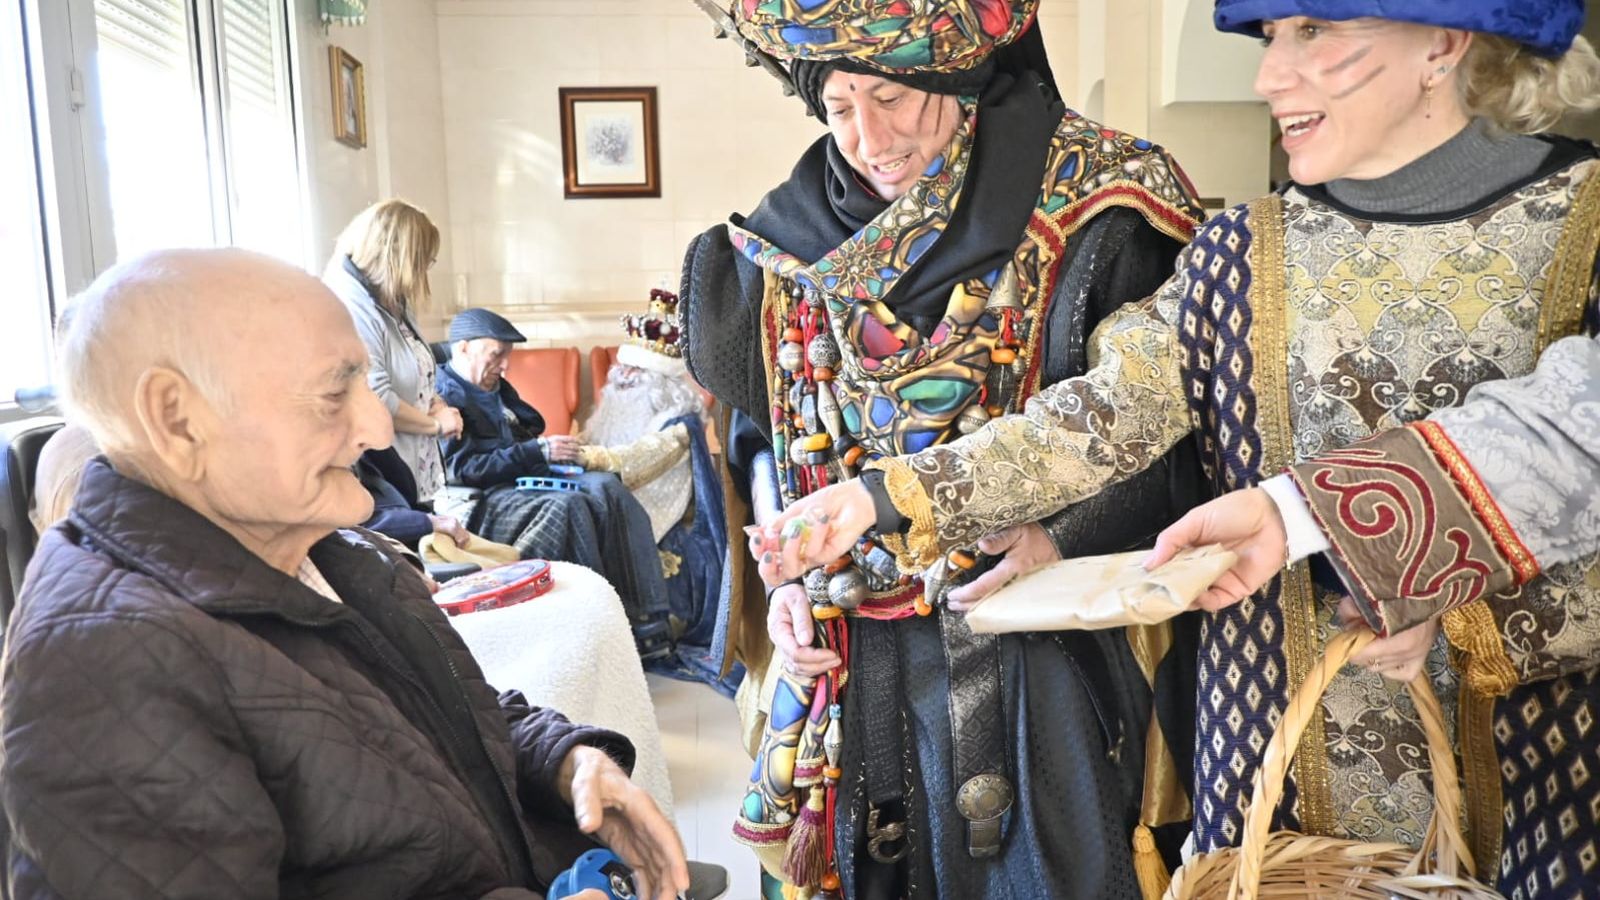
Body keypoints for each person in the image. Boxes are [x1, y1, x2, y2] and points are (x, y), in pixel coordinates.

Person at [760, 1, 1600, 892]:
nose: (1269, 76)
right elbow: (1108, 412)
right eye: (1272, 39)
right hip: (1269, 749)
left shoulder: (1583, 231)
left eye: (1314, 32)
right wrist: (887, 497)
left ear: (1444, 38)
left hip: (1528, 755)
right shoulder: (1242, 248)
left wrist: (1466, 612)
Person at [680, 1, 1212, 895]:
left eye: (892, 95)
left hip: (1034, 630)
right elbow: (765, 444)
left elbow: (1163, 428)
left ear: (956, 78)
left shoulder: (1099, 203)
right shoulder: (776, 245)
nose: (868, 137)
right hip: (853, 647)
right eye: (840, 104)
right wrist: (784, 573)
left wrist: (1059, 536)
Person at [3, 248, 689, 900]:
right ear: (177, 419)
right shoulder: (103, 667)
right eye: (335, 395)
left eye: (366, 379)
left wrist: (568, 762)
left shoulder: (318, 546)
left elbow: (445, 710)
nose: (378, 429)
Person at [1143, 331, 1600, 682]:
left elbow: (1580, 421)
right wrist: (1287, 515)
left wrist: (1419, 586)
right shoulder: (1232, 244)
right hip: (1259, 661)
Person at [435, 308, 674, 656]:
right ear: (464, 348)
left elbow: (530, 427)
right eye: (496, 355)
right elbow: (463, 468)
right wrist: (538, 451)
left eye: (507, 356)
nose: (504, 366)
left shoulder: (493, 385)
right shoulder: (446, 394)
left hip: (516, 482)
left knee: (606, 485)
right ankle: (595, 631)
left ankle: (647, 620)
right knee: (572, 505)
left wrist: (536, 445)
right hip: (480, 500)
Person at [581, 288, 734, 693]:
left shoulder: (678, 424)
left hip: (663, 527)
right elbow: (596, 444)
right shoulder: (610, 414)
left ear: (659, 383)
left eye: (635, 374)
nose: (622, 378)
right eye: (622, 371)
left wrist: (586, 458)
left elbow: (633, 462)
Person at [325, 199, 462, 502]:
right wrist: (437, 425)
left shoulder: (392, 299)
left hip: (414, 464)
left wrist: (437, 402)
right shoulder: (350, 303)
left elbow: (418, 368)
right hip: (382, 470)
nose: (426, 269)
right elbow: (376, 397)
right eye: (425, 260)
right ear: (401, 257)